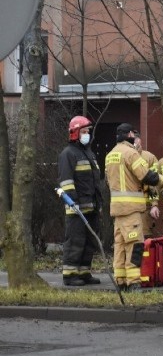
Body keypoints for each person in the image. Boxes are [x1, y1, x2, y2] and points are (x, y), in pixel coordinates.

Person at [105, 124, 163, 291]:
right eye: (133, 133)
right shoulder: (131, 153)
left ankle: (120, 280)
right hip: (131, 208)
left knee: (119, 244)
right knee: (135, 244)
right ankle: (133, 282)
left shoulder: (111, 154)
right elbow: (146, 175)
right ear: (129, 134)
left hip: (117, 208)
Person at [57, 115, 103, 286]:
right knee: (75, 241)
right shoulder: (68, 154)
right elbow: (66, 182)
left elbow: (94, 181)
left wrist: (99, 204)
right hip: (76, 207)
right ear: (75, 133)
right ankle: (70, 274)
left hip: (91, 206)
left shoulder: (88, 153)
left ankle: (84, 272)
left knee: (89, 242)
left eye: (88, 132)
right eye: (83, 132)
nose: (87, 135)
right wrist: (73, 202)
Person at [134, 136, 162, 238]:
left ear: (139, 142)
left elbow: (154, 183)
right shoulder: (121, 156)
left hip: (144, 207)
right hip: (126, 209)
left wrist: (154, 205)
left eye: (134, 141)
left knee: (145, 239)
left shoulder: (149, 158)